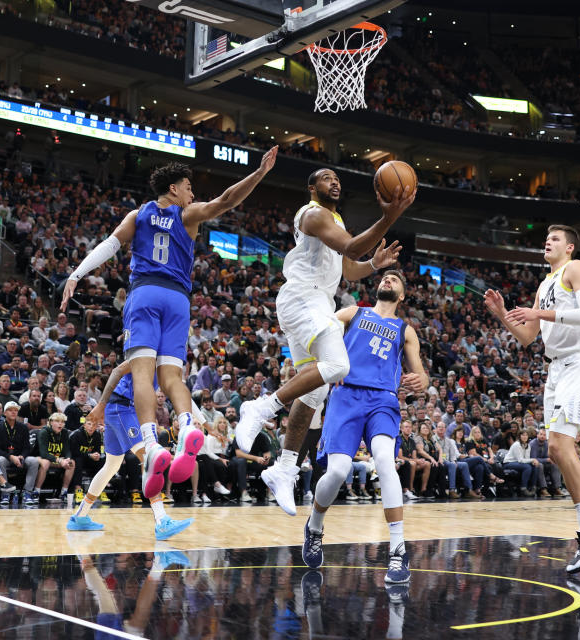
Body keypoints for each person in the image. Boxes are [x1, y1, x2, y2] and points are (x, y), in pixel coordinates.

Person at [61, 147, 279, 500]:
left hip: (146, 293)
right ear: (175, 189)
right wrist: (258, 174)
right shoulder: (188, 215)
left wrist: (77, 273)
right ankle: (187, 427)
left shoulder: (139, 214)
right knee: (172, 378)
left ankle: (152, 442)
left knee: (143, 375)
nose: (193, 194)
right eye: (189, 187)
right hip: (178, 299)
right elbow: (226, 200)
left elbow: (109, 246)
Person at [234, 167, 414, 517]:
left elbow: (347, 268)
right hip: (304, 298)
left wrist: (372, 264)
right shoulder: (314, 214)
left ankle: (284, 469)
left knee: (315, 393)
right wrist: (388, 218)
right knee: (338, 365)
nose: (335, 181)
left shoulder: (335, 218)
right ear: (311, 186)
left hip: (316, 301)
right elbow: (349, 245)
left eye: (338, 178)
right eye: (326, 177)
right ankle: (262, 407)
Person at [484, 224, 580, 574]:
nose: (548, 241)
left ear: (571, 247)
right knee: (555, 451)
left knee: (562, 448)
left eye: (556, 238)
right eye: (547, 238)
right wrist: (502, 315)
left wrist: (539, 314)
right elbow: (529, 337)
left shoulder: (575, 269)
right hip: (557, 368)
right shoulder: (544, 284)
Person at [302, 270, 427, 584]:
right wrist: (332, 359)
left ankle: (398, 550)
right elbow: (317, 332)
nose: (388, 280)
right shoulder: (353, 312)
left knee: (385, 461)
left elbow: (422, 376)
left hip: (383, 400)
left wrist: (419, 381)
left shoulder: (405, 329)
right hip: (346, 396)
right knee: (337, 471)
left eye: (396, 279)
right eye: (385, 277)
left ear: (401, 296)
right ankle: (315, 525)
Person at [66, 359, 195, 540]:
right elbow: (117, 370)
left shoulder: (166, 367)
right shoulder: (147, 352)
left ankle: (80, 516)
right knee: (150, 459)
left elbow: (180, 397)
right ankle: (161, 520)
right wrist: (101, 405)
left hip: (124, 409)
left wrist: (202, 423)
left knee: (111, 466)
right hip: (122, 407)